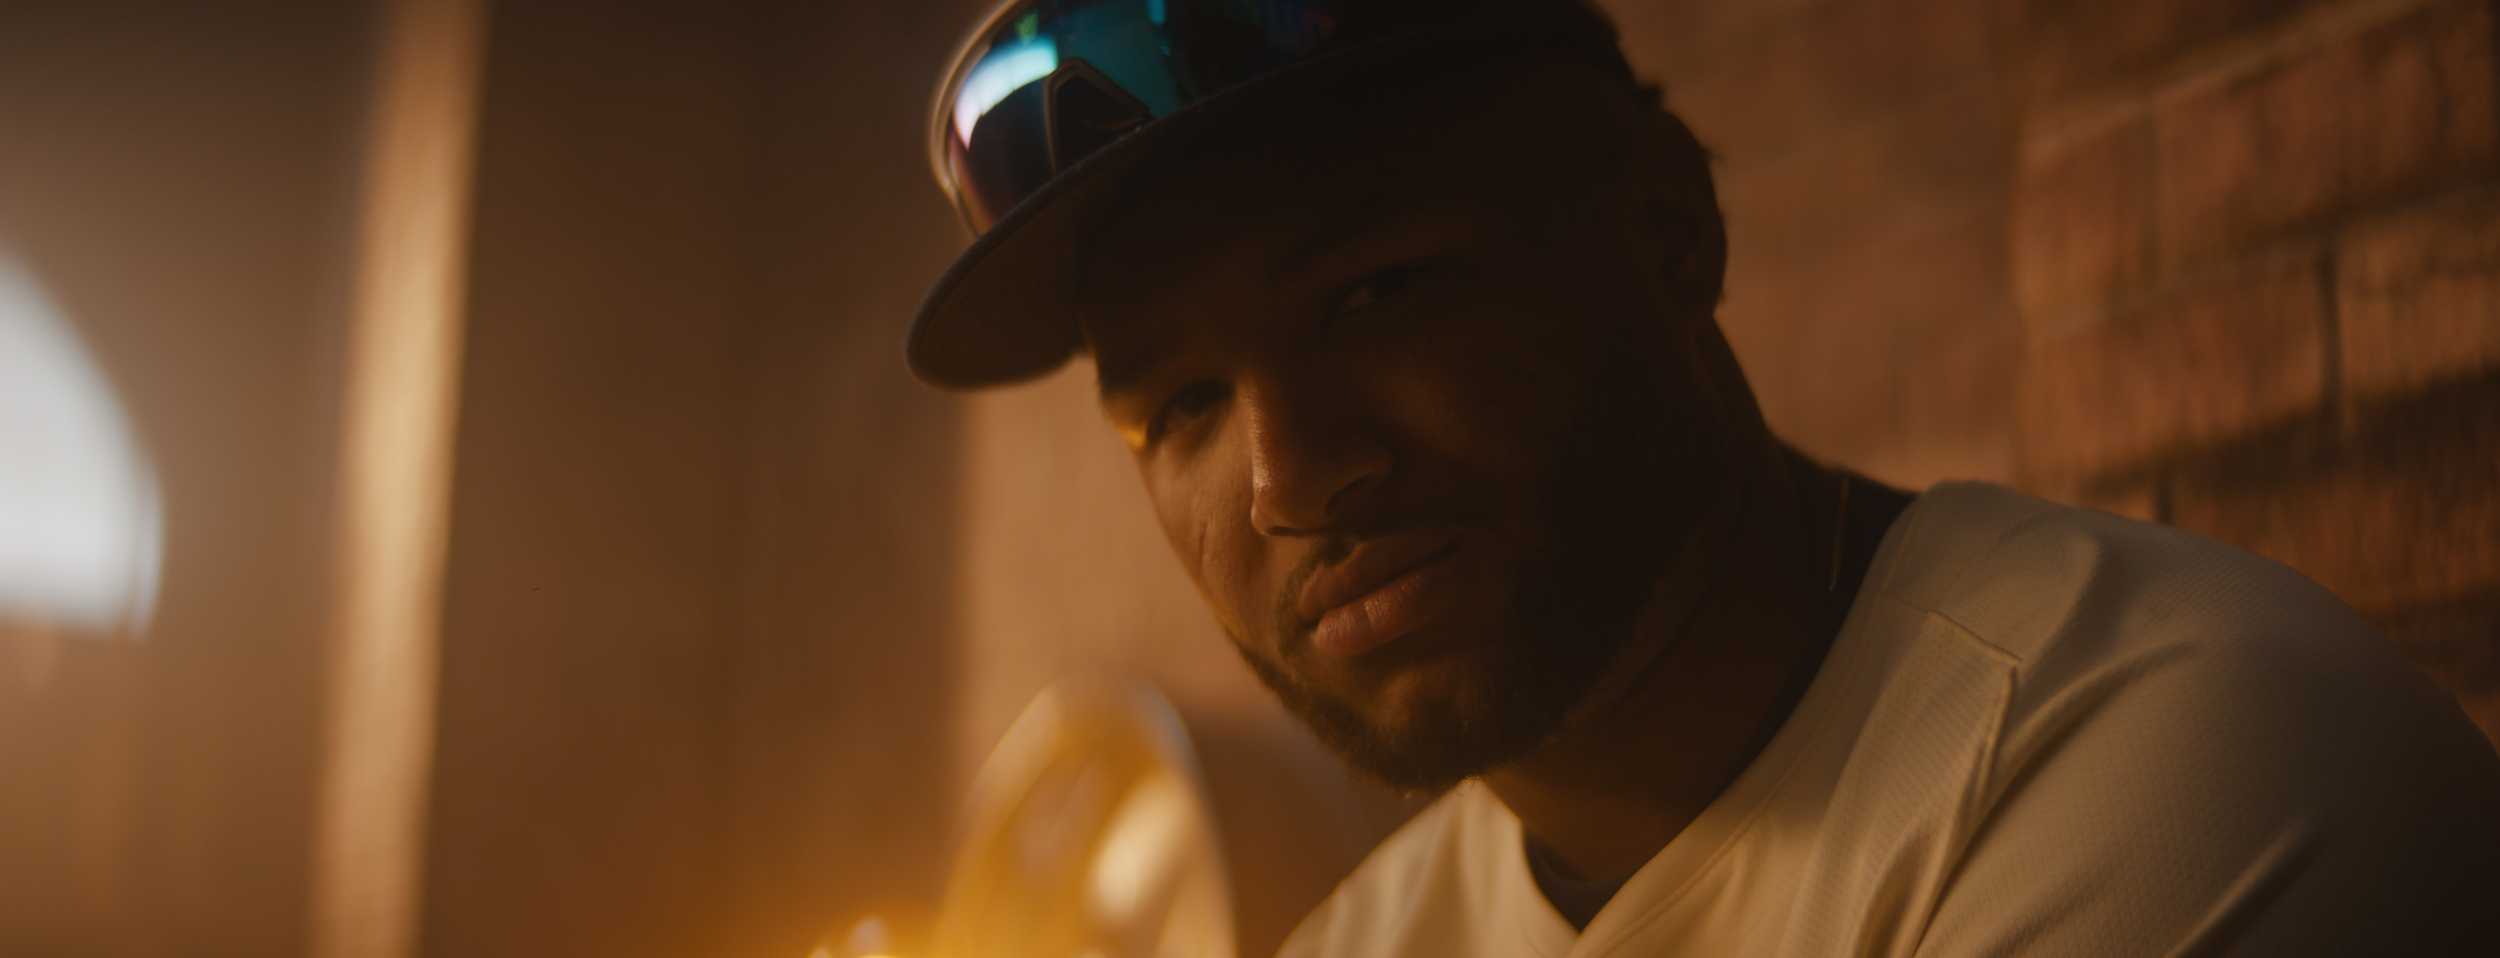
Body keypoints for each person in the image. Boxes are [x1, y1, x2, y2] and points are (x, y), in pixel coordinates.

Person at [907, 1, 2500, 954]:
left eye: (1375, 295)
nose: (1288, 479)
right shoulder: (1374, 934)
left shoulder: (2176, 762)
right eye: (1183, 402)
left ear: (1670, 231)